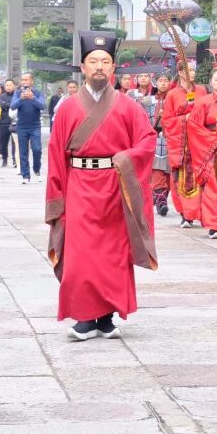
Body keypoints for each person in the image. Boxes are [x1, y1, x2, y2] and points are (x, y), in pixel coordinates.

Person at [46, 31, 157, 340]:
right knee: (81, 254)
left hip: (114, 186)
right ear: (82, 67)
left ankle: (106, 316)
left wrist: (125, 158)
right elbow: (56, 155)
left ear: (113, 68)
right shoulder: (68, 108)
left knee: (112, 253)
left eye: (104, 62)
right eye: (92, 61)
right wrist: (57, 198)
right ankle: (84, 316)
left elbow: (148, 140)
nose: (98, 67)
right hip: (79, 187)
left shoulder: (127, 106)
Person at [163, 59, 208, 227]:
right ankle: (185, 213)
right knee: (182, 177)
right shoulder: (172, 94)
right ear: (181, 72)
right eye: (189, 70)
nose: (193, 73)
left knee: (201, 175)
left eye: (194, 69)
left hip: (199, 141)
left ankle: (201, 212)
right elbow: (167, 120)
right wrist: (185, 119)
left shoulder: (202, 91)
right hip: (181, 142)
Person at [189, 68, 217, 239]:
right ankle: (214, 224)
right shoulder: (203, 102)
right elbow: (194, 126)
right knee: (213, 186)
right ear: (211, 82)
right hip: (210, 149)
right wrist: (213, 141)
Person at [140, 74, 172, 216]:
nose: (163, 84)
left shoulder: (174, 100)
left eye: (166, 81)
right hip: (154, 138)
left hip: (171, 138)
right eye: (160, 81)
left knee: (168, 175)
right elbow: (142, 121)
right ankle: (161, 202)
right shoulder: (147, 101)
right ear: (155, 82)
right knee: (157, 173)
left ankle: (161, 198)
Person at [11, 72, 45, 184]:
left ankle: (36, 168)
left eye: (26, 80)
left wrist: (32, 98)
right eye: (23, 80)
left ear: (32, 81)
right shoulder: (17, 93)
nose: (24, 82)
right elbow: (12, 106)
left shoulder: (38, 93)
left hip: (35, 125)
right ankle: (25, 175)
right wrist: (21, 98)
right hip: (22, 126)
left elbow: (42, 106)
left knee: (37, 149)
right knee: (23, 151)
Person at [0, 78, 17, 167]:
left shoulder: (17, 95)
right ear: (5, 87)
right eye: (7, 85)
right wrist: (11, 105)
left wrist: (7, 105)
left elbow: (17, 104)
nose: (9, 87)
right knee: (3, 142)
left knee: (15, 142)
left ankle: (15, 160)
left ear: (14, 86)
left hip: (14, 122)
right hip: (4, 122)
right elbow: (1, 105)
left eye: (10, 85)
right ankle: (5, 159)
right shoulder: (2, 96)